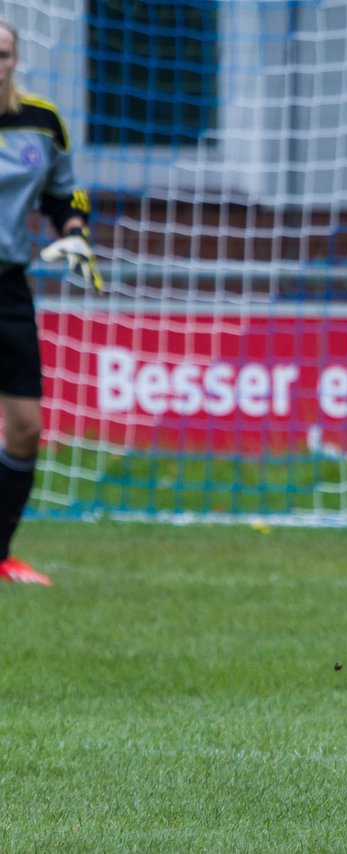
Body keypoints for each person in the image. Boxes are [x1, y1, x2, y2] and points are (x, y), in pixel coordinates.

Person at [0, 21, 100, 586]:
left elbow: (65, 192)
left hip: (8, 286)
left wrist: (74, 231)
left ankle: (1, 553)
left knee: (24, 428)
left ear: (15, 60)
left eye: (3, 53)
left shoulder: (42, 121)